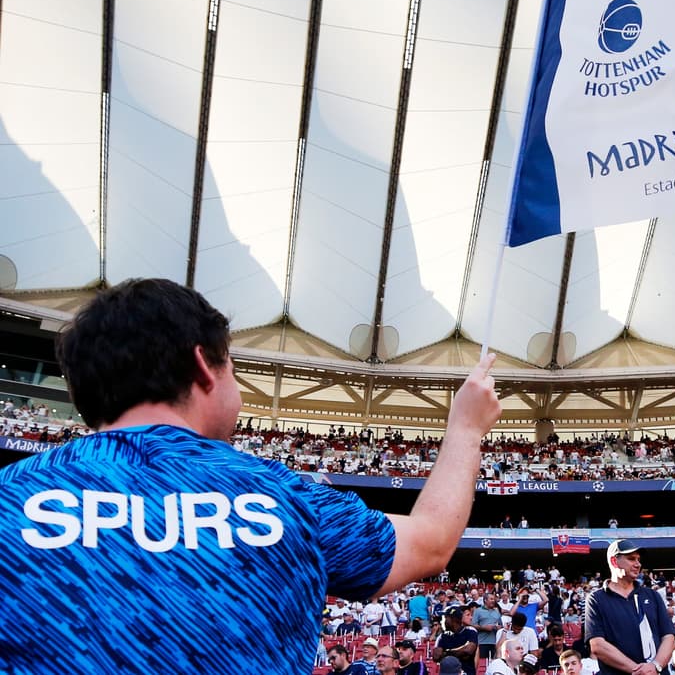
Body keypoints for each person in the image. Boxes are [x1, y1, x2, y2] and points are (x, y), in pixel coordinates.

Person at [0, 278, 502, 675]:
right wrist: (466, 427)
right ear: (204, 365)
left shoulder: (10, 499)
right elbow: (432, 541)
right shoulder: (284, 497)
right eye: (234, 367)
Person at [585, 538, 675, 675]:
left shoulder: (652, 595)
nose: (638, 564)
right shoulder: (596, 599)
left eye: (638, 559)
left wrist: (655, 666)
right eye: (631, 559)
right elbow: (598, 645)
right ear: (614, 561)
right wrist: (640, 671)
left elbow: (668, 637)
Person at [435, 605, 481, 675]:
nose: (443, 621)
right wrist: (460, 652)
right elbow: (436, 656)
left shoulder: (470, 631)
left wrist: (446, 653)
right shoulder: (442, 636)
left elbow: (468, 651)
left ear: (453, 620)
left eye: (446, 618)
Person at [476, 593, 505, 660]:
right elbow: (474, 626)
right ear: (485, 600)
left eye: (494, 599)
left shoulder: (497, 614)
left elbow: (501, 626)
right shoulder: (478, 612)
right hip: (482, 642)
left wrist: (498, 628)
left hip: (495, 643)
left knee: (494, 661)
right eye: (491, 599)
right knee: (482, 663)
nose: (493, 601)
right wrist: (484, 627)